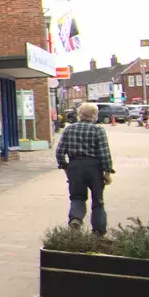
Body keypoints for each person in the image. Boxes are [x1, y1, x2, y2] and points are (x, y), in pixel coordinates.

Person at [55, 101, 114, 235]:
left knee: (77, 197)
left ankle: (76, 218)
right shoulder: (98, 130)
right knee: (98, 201)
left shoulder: (69, 129)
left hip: (75, 167)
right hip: (94, 167)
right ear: (95, 115)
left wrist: (65, 167)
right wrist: (107, 173)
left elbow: (59, 152)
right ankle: (99, 230)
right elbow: (105, 153)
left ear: (79, 114)